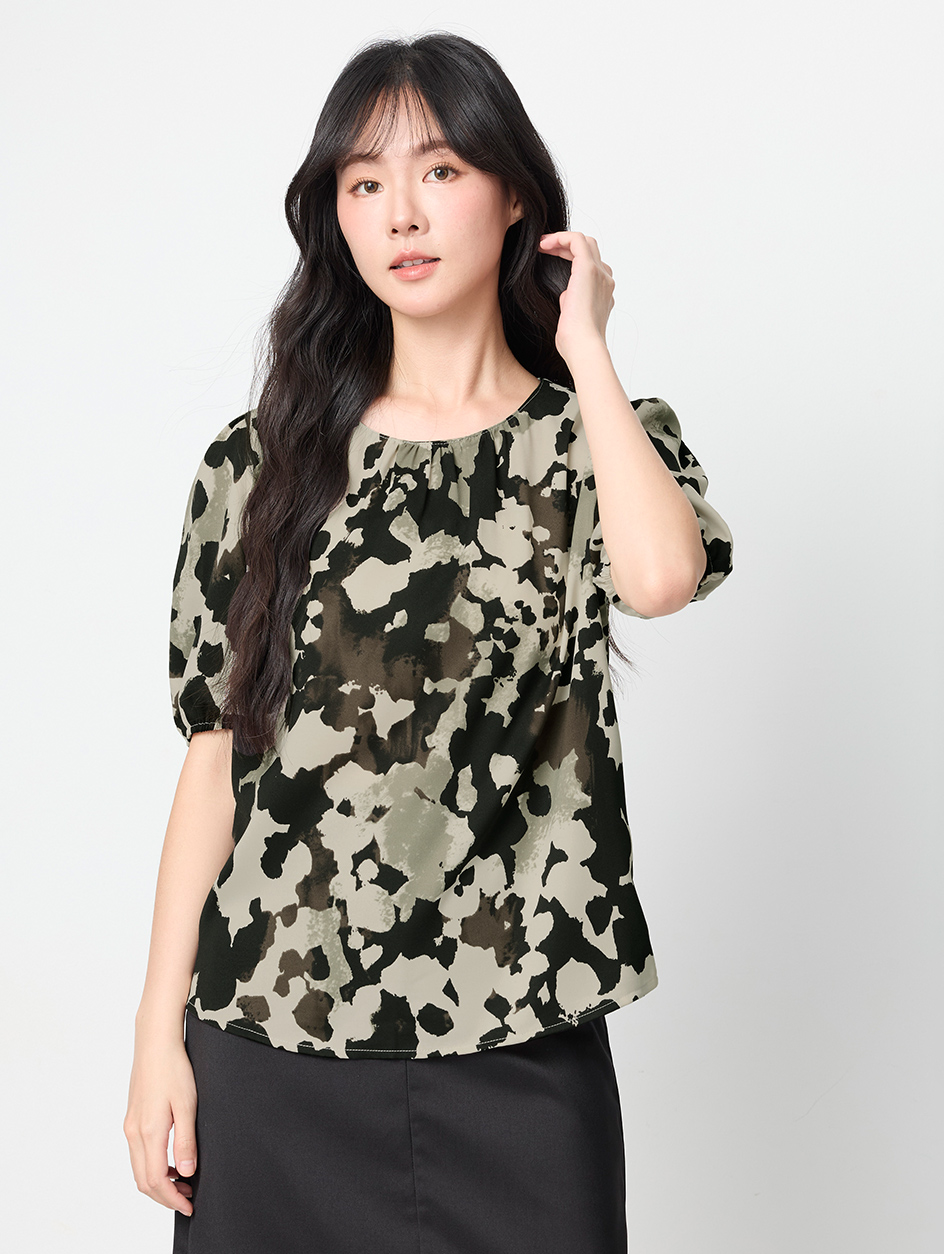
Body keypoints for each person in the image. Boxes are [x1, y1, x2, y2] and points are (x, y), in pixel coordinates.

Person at [123, 30, 733, 1254]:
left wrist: (585, 345)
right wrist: (155, 1040)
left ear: (513, 198)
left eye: (440, 170)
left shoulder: (593, 441)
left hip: (519, 1042)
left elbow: (662, 577)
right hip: (273, 1042)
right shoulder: (258, 466)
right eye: (364, 182)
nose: (400, 210)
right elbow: (217, 759)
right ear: (335, 219)